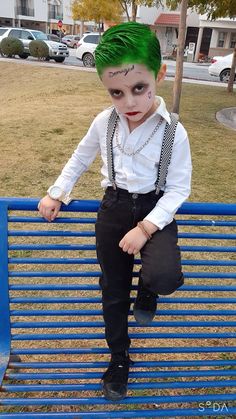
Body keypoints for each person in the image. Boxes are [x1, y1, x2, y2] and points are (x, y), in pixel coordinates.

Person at [38, 22, 192, 402]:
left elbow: (178, 189)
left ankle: (151, 288)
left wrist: (146, 227)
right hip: (114, 205)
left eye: (139, 88)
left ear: (159, 75)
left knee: (165, 275)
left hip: (156, 209)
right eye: (116, 93)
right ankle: (119, 357)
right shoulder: (104, 121)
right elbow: (80, 157)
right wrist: (57, 192)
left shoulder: (174, 131)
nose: (129, 102)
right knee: (113, 291)